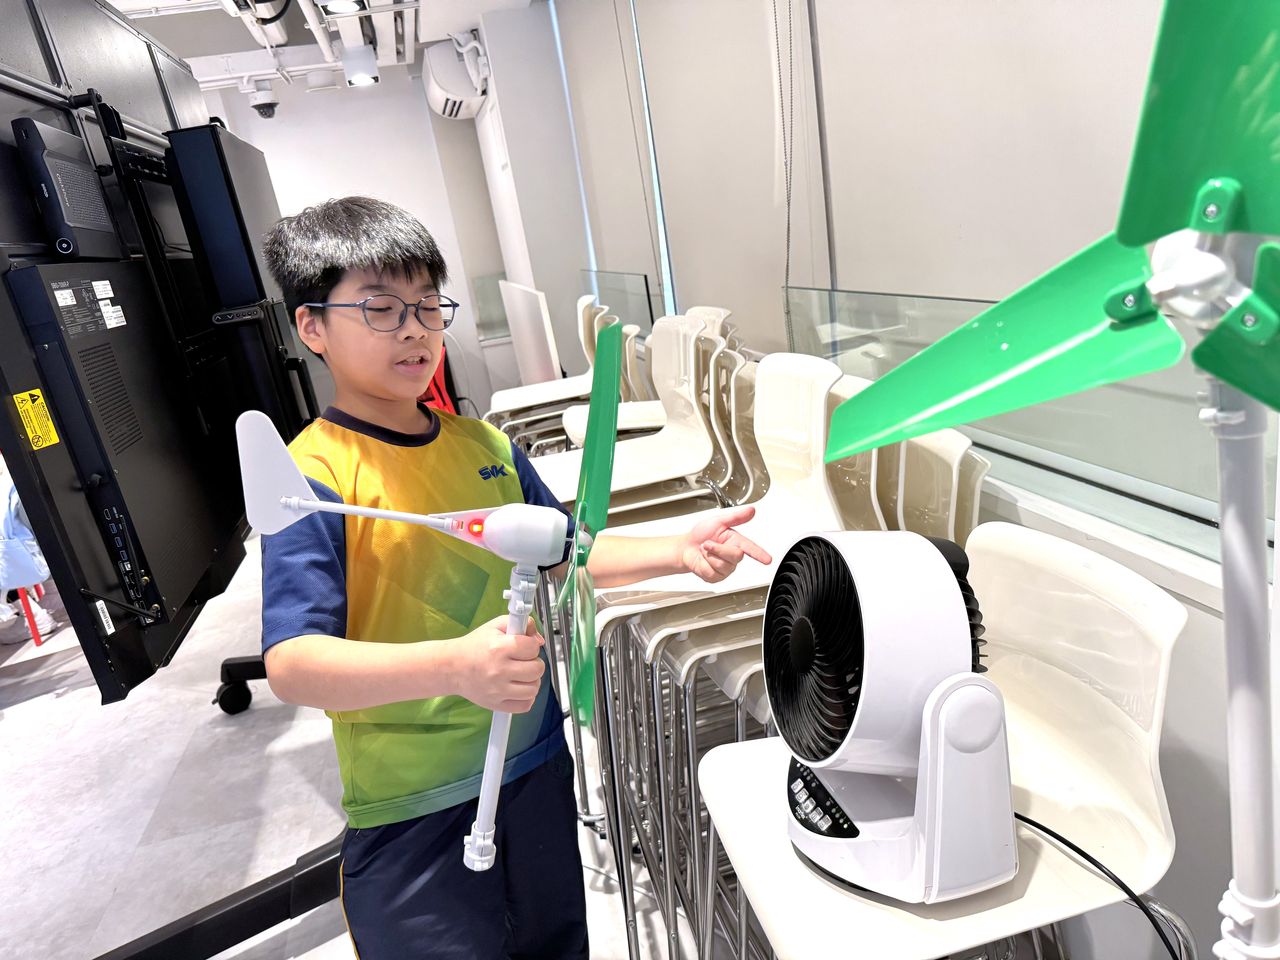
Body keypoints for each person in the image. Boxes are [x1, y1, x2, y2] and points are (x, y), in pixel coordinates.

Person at [259, 196, 771, 959]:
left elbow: (565, 550)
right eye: (381, 308)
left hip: (533, 768)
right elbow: (294, 664)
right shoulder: (313, 478)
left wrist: (677, 550)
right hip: (413, 804)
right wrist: (456, 667)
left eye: (428, 306)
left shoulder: (485, 445)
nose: (414, 329)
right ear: (311, 327)